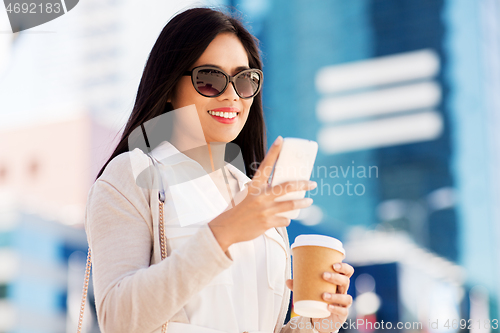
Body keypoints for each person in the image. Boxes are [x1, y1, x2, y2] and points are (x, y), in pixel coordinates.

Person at [85, 7, 353, 333]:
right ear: (169, 87)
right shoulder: (132, 175)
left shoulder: (255, 199)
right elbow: (117, 319)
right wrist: (223, 232)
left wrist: (315, 324)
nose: (231, 95)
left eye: (245, 80)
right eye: (210, 80)